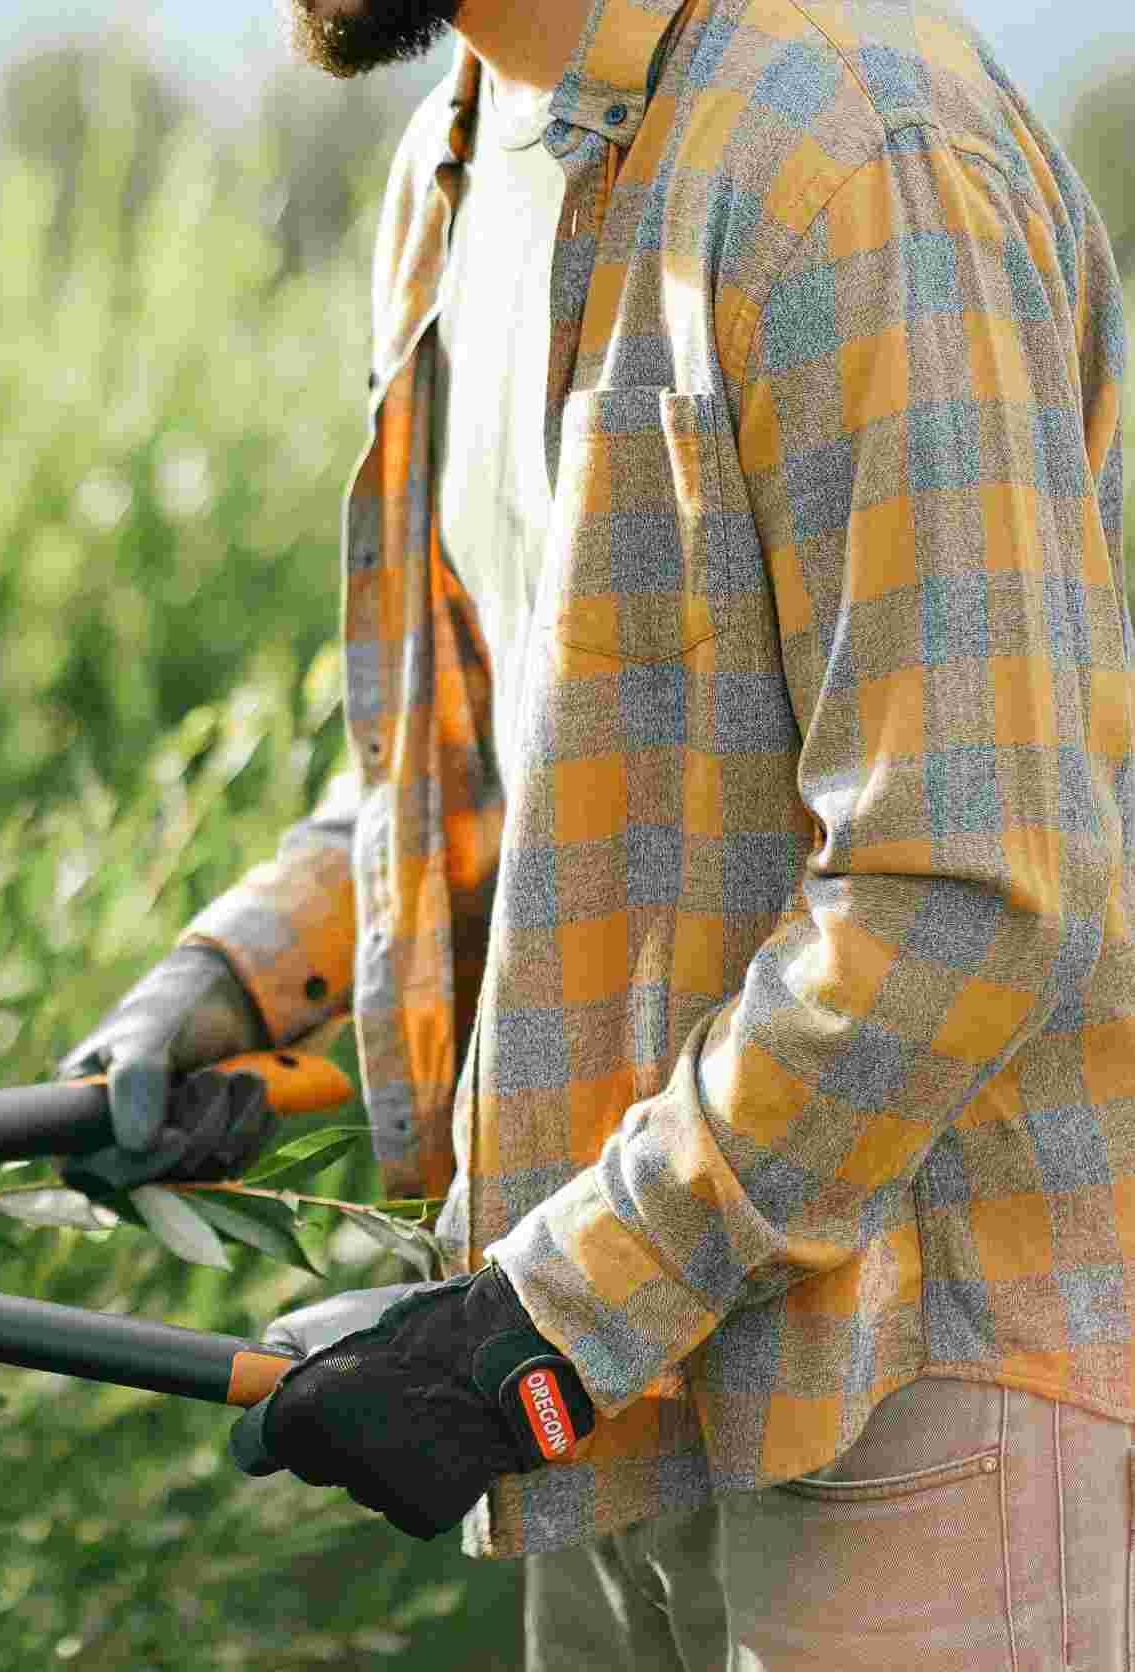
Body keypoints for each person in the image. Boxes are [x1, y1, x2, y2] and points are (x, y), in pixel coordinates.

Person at [56, 0, 1132, 1663]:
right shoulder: (459, 158)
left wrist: (539, 1326)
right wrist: (244, 975)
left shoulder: (853, 151)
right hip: (631, 1393)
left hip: (920, 1395)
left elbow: (964, 884)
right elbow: (518, 755)